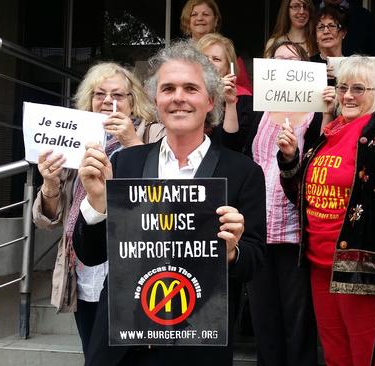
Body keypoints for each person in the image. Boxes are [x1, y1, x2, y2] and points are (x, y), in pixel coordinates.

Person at [71, 40, 266, 366]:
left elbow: (255, 261)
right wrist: (96, 203)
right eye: (168, 88)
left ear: (210, 100)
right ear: (156, 99)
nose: (178, 97)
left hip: (197, 345)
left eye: (191, 88)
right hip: (121, 347)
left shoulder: (243, 172)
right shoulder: (124, 164)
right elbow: (91, 255)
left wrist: (233, 251)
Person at [277, 55, 375, 366]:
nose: (348, 96)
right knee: (335, 355)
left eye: (359, 88)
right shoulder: (327, 136)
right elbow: (303, 197)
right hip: (320, 265)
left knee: (368, 357)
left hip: (363, 270)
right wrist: (289, 159)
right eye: (343, 87)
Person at [32, 62, 155, 356]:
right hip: (85, 269)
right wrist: (49, 184)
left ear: (132, 100)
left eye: (118, 95)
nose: (108, 102)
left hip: (135, 267)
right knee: (94, 353)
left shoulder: (153, 134)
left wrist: (131, 142)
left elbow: (162, 197)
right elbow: (48, 220)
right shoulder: (75, 141)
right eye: (99, 94)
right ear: (89, 100)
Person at [244, 39, 324, 366]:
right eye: (277, 59)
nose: (284, 65)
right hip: (259, 227)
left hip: (295, 229)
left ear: (304, 68)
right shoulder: (259, 109)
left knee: (297, 322)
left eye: (292, 59)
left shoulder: (316, 112)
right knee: (265, 319)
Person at [195, 33, 254, 152]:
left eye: (216, 59)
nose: (209, 63)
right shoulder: (185, 94)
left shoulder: (243, 98)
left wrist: (229, 102)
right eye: (204, 58)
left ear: (228, 67)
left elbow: (232, 145)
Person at [180, 0, 253, 93]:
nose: (199, 18)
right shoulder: (178, 54)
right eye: (194, 14)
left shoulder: (229, 52)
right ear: (187, 21)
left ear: (215, 20)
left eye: (205, 14)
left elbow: (245, 91)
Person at [310, 5, 348, 86]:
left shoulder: (353, 65)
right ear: (315, 36)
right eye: (320, 27)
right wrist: (317, 77)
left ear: (343, 33)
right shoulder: (307, 64)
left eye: (332, 26)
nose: (326, 31)